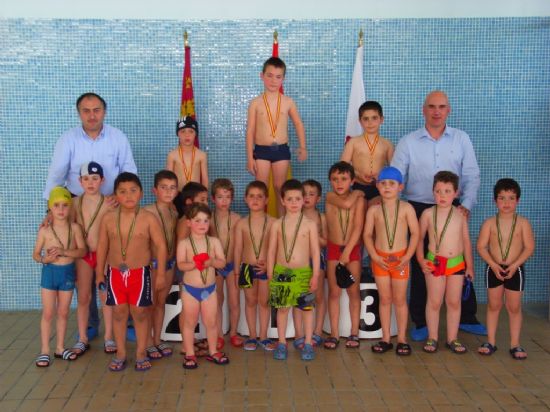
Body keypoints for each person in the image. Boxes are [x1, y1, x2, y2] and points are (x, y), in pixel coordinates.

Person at [391, 90, 484, 341]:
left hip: (453, 209)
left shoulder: (461, 139)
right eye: (431, 106)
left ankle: (466, 316)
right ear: (424, 110)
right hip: (419, 208)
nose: (436, 111)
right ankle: (421, 320)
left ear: (448, 110)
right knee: (423, 264)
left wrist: (465, 205)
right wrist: (396, 209)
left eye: (442, 106)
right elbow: (396, 177)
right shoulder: (408, 142)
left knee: (458, 261)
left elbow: (472, 175)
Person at [43, 92, 137, 341]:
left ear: (104, 112)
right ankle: (92, 325)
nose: (92, 115)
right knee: (84, 271)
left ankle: (124, 320)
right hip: (78, 209)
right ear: (79, 113)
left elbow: (128, 170)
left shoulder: (117, 137)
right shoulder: (68, 140)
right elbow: (56, 176)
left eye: (96, 110)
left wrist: (123, 195)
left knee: (118, 262)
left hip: (113, 206)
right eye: (86, 110)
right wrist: (50, 211)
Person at [95, 172, 167, 372]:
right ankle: (120, 353)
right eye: (123, 192)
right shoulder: (108, 219)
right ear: (115, 195)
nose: (128, 196)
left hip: (140, 274)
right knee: (118, 313)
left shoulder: (148, 218)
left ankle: (141, 352)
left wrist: (160, 274)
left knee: (140, 312)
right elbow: (102, 246)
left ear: (142, 194)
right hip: (115, 274)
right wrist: (99, 273)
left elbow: (161, 247)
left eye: (133, 191)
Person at [363, 167, 419, 356]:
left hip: (401, 260)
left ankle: (402, 338)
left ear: (400, 187)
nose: (387, 187)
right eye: (383, 183)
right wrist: (375, 256)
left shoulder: (406, 208)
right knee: (385, 299)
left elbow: (416, 233)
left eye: (392, 184)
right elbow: (367, 235)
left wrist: (407, 257)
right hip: (380, 260)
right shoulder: (373, 210)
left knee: (400, 299)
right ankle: (386, 338)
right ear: (378, 186)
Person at [416, 171, 474, 354]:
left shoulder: (460, 215)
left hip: (456, 264)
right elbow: (418, 239)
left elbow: (466, 241)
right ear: (432, 191)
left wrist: (469, 266)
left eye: (448, 191)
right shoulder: (427, 214)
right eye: (438, 191)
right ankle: (432, 337)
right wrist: (421, 259)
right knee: (434, 301)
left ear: (456, 193)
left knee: (454, 302)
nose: (442, 195)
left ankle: (452, 338)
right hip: (434, 262)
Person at [477, 178, 534, 360]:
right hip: (493, 269)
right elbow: (480, 246)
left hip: (515, 269)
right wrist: (493, 265)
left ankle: (515, 344)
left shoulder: (523, 223)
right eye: (502, 198)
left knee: (514, 307)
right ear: (495, 201)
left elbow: (529, 247)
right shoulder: (489, 223)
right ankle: (491, 341)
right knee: (494, 305)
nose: (506, 203)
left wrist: (515, 265)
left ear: (518, 200)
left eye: (511, 198)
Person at [246, 57, 307, 215]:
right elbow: (250, 130)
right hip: (261, 150)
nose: (273, 80)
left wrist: (303, 147)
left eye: (278, 77)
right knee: (260, 188)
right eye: (270, 75)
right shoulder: (255, 103)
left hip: (281, 149)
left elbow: (298, 124)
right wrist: (249, 157)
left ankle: (281, 222)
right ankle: (260, 221)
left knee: (280, 187)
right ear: (262, 76)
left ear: (283, 79)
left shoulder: (288, 102)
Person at [266, 179, 320, 360]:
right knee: (282, 309)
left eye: (298, 199)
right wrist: (269, 272)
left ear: (303, 200)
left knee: (306, 309)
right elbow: (271, 250)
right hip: (282, 273)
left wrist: (316, 275)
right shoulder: (276, 224)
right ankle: (281, 343)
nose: (294, 203)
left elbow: (315, 252)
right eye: (289, 199)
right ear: (282, 201)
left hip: (304, 273)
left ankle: (308, 342)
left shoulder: (310, 224)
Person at [33, 187, 87, 367]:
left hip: (67, 272)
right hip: (50, 272)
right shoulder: (45, 231)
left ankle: (60, 348)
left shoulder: (75, 228)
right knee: (48, 312)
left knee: (63, 312)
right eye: (56, 205)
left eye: (65, 205)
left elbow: (82, 251)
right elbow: (35, 254)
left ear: (70, 207)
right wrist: (43, 259)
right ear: (50, 208)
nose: (61, 209)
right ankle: (44, 350)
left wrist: (64, 251)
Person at [177, 203, 229, 369]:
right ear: (188, 223)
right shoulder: (184, 244)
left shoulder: (214, 242)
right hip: (190, 290)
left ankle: (213, 351)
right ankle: (190, 353)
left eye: (206, 221)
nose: (202, 224)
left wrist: (212, 261)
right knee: (189, 323)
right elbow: (180, 265)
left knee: (211, 322)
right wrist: (194, 264)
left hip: (210, 290)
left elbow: (222, 262)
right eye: (197, 220)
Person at [72, 162, 115, 356]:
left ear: (102, 180)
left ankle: (109, 337)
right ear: (80, 181)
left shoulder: (110, 203)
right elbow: (59, 218)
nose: (91, 183)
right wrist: (48, 218)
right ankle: (82, 338)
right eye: (86, 179)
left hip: (103, 255)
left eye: (95, 178)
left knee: (105, 296)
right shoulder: (74, 204)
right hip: (83, 256)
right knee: (83, 297)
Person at [324, 161, 365, 350]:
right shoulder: (330, 196)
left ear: (352, 180)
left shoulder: (361, 201)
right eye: (335, 179)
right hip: (333, 249)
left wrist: (347, 252)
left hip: (352, 250)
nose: (339, 183)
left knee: (353, 292)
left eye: (344, 179)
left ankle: (354, 332)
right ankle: (334, 334)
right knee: (334, 292)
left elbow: (358, 227)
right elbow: (347, 204)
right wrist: (357, 191)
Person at [233, 181, 276, 351]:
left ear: (266, 200)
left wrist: (270, 267)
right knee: (250, 302)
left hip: (266, 269)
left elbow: (278, 249)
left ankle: (264, 337)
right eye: (252, 196)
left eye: (260, 196)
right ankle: (252, 336)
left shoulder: (273, 222)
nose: (255, 199)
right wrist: (237, 273)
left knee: (264, 302)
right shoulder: (242, 224)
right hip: (246, 268)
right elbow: (237, 249)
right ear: (245, 199)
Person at [143, 170, 179, 360]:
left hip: (169, 264)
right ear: (154, 190)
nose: (168, 191)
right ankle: (147, 341)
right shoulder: (147, 212)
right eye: (164, 188)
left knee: (160, 304)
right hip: (153, 265)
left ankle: (157, 339)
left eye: (172, 188)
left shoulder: (174, 211)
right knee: (149, 304)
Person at [209, 178, 243, 349]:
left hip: (231, 266)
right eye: (220, 197)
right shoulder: (207, 218)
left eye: (228, 197)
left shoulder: (237, 219)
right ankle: (219, 334)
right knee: (217, 302)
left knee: (234, 301)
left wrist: (237, 269)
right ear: (213, 199)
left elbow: (239, 247)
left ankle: (234, 332)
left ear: (232, 198)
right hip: (215, 266)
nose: (224, 201)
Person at [294, 179, 327, 348]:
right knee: (299, 297)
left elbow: (325, 241)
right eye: (304, 194)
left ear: (318, 199)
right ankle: (299, 334)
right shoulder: (294, 215)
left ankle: (318, 331)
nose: (307, 197)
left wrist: (312, 235)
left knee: (318, 296)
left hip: (315, 260)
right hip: (298, 261)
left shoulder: (321, 217)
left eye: (311, 194)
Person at [340, 101, 394, 205]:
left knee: (377, 215)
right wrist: (358, 174)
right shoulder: (353, 142)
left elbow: (393, 169)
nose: (370, 122)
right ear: (360, 121)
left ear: (381, 119)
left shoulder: (387, 144)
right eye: (366, 119)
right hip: (358, 185)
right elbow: (343, 166)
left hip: (380, 186)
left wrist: (381, 175)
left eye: (374, 118)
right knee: (360, 210)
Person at [166, 117, 209, 218]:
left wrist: (204, 197)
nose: (187, 135)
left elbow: (205, 179)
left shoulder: (201, 155)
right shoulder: (172, 155)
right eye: (183, 131)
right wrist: (170, 200)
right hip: (178, 195)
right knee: (178, 221)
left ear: (196, 134)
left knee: (196, 219)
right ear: (177, 134)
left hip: (196, 195)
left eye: (191, 131)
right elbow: (168, 180)